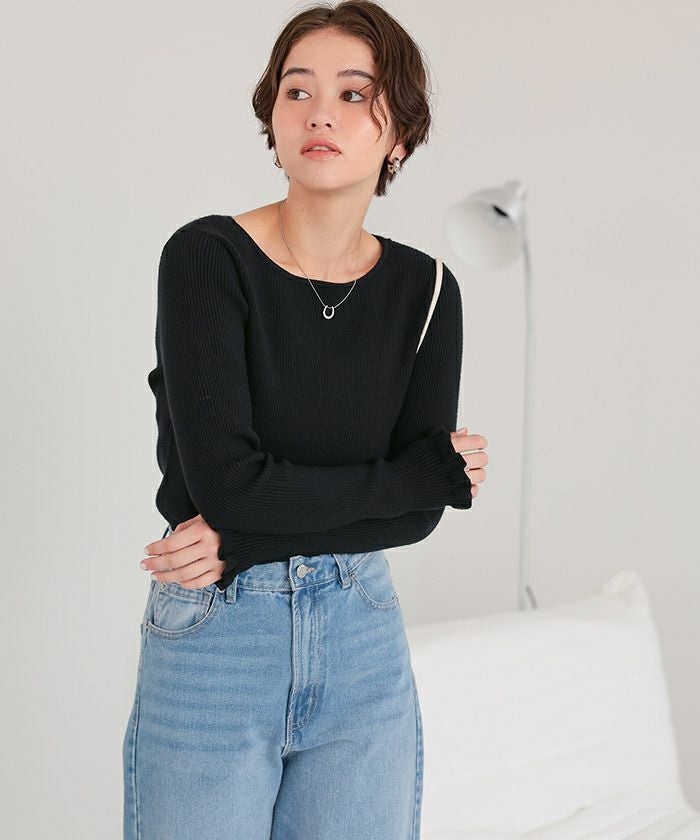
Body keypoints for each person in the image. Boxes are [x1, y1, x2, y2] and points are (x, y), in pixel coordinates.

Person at [123, 2, 489, 838]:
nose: (320, 112)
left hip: (362, 635)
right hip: (220, 632)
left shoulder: (429, 291)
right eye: (298, 91)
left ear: (400, 136)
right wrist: (416, 475)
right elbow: (233, 486)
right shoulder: (206, 257)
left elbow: (418, 517)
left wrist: (242, 535)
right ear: (274, 119)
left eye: (354, 94)